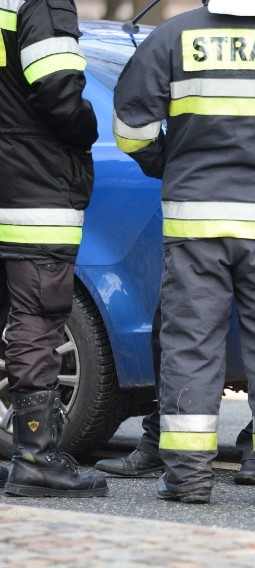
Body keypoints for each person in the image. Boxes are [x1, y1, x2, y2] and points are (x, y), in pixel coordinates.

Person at [95, 0, 255, 487]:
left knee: (190, 342)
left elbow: (132, 130)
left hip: (194, 223)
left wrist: (171, 162)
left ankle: (186, 477)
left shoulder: (172, 37)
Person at [0, 0, 107, 497]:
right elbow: (59, 89)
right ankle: (36, 459)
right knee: (38, 316)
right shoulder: (39, 3)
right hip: (33, 182)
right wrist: (86, 128)